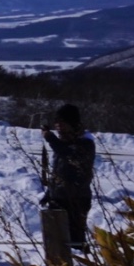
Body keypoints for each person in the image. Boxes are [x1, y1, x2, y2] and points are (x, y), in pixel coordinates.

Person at [41, 103, 97, 247]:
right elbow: (59, 172)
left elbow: (69, 155)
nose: (59, 126)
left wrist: (51, 139)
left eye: (63, 122)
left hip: (77, 199)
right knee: (56, 242)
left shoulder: (85, 142)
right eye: (57, 122)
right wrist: (50, 192)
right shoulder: (63, 143)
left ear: (73, 123)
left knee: (75, 241)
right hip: (58, 198)